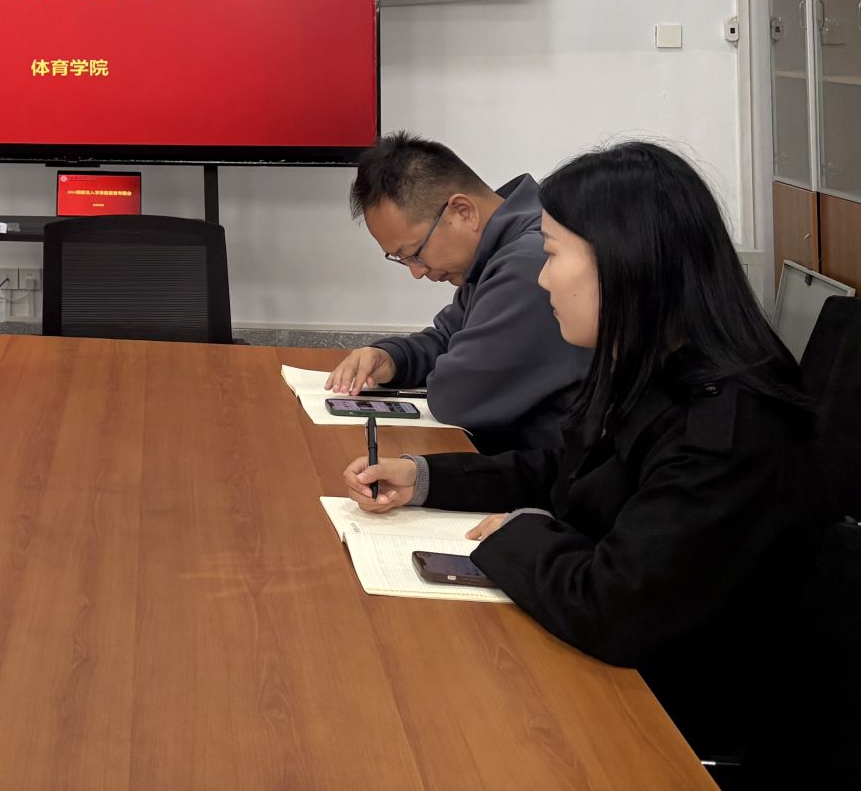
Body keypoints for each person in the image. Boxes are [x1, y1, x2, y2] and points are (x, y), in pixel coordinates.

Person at [342, 142, 829, 758]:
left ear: (624, 263)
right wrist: (427, 479)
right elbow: (566, 471)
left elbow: (614, 605)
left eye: (551, 255)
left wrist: (515, 536)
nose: (542, 278)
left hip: (675, 720)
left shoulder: (729, 424)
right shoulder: (648, 365)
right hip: (619, 671)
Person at [327, 133, 588, 451]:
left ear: (463, 211)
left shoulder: (528, 262)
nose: (416, 272)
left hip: (554, 472)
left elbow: (455, 398)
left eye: (414, 253)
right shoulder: (497, 250)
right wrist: (393, 358)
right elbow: (446, 339)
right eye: (401, 260)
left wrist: (444, 369)